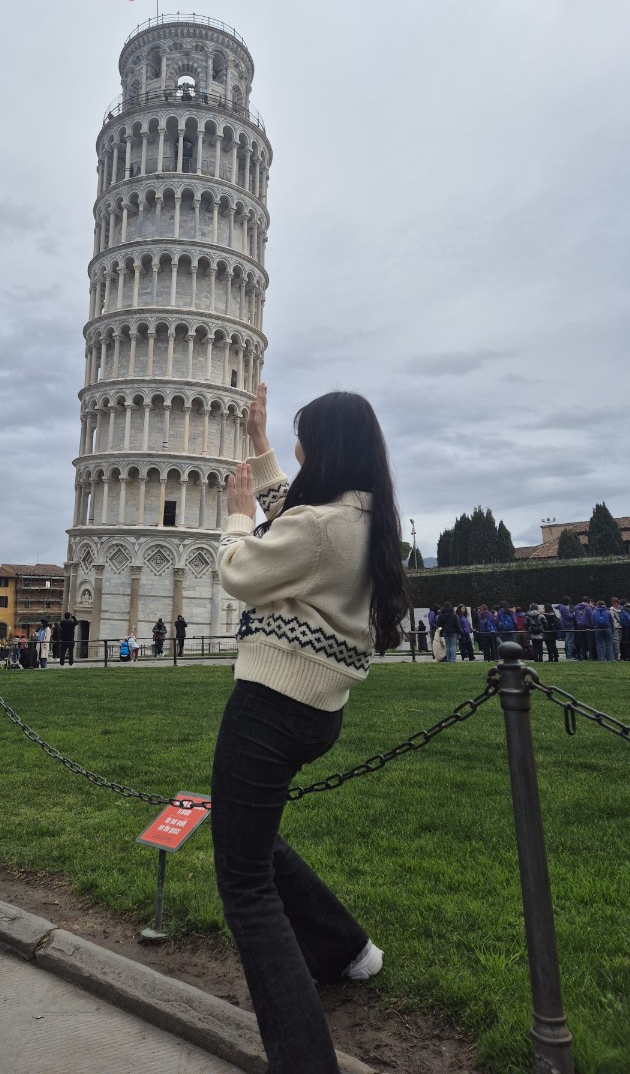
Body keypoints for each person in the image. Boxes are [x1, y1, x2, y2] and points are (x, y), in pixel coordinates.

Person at [212, 383, 409, 1074]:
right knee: (250, 836)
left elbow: (241, 571)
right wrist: (260, 442)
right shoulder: (364, 519)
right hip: (318, 711)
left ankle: (304, 1060)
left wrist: (238, 518)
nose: (296, 448)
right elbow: (296, 518)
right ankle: (346, 949)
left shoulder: (321, 528)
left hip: (269, 706)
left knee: (244, 887)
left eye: (302, 436)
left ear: (326, 447)